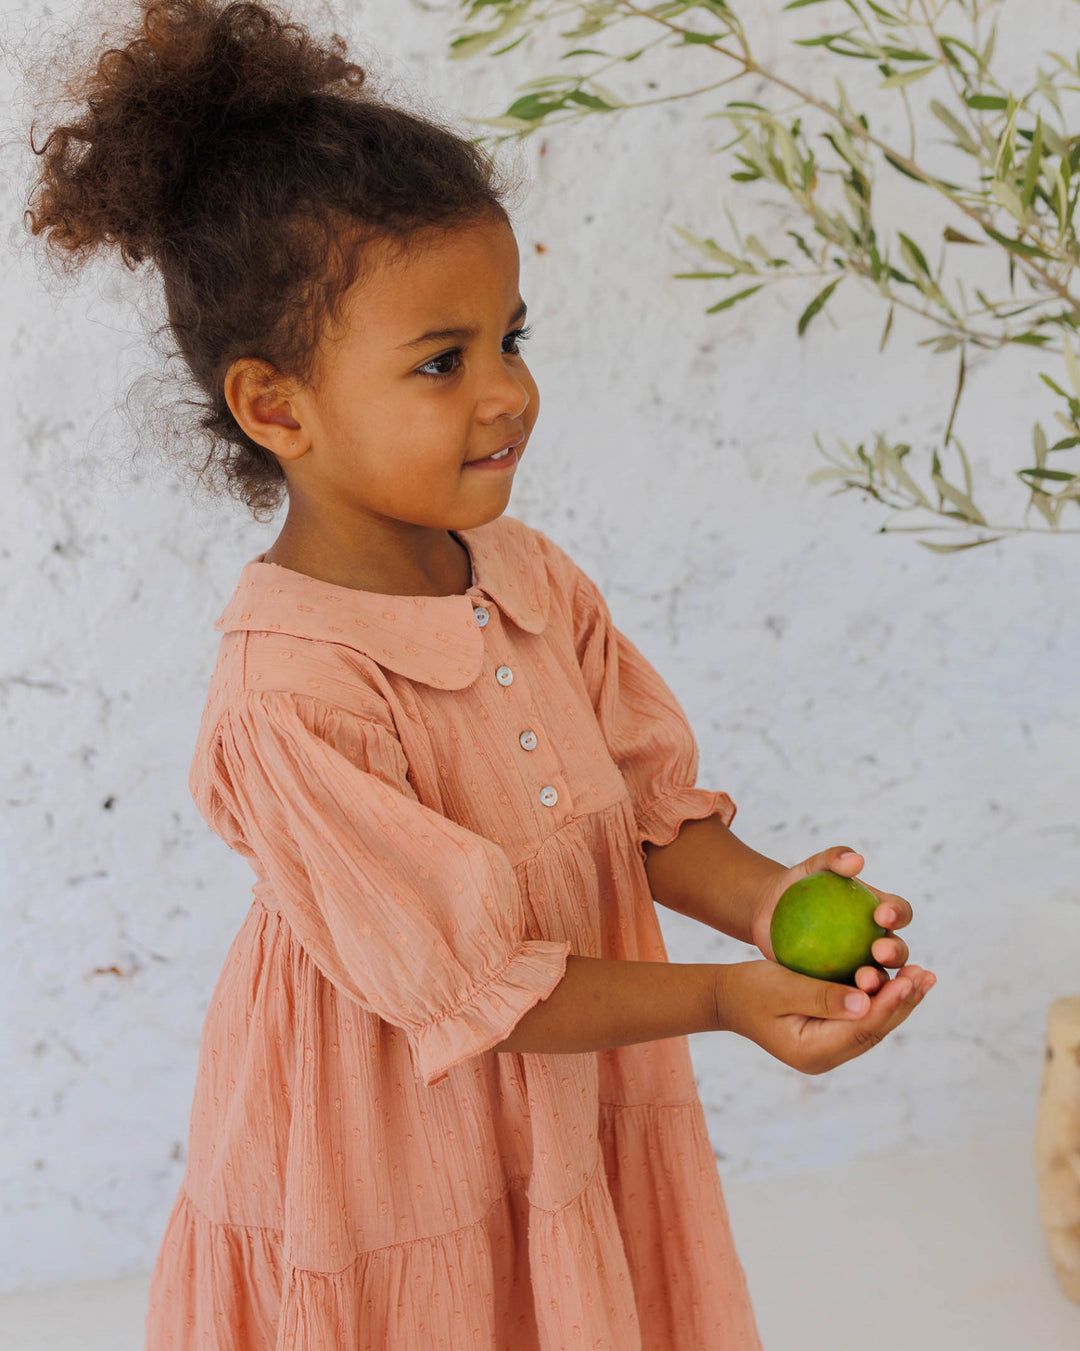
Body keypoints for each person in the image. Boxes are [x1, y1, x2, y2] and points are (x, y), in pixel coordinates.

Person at [21, 1, 935, 1346]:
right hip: (389, 1143)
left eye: (512, 338)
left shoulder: (527, 576)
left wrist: (770, 904)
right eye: (442, 362)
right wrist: (730, 1002)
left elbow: (639, 810)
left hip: (566, 1096)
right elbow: (485, 989)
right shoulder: (292, 697)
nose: (505, 392)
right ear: (278, 407)